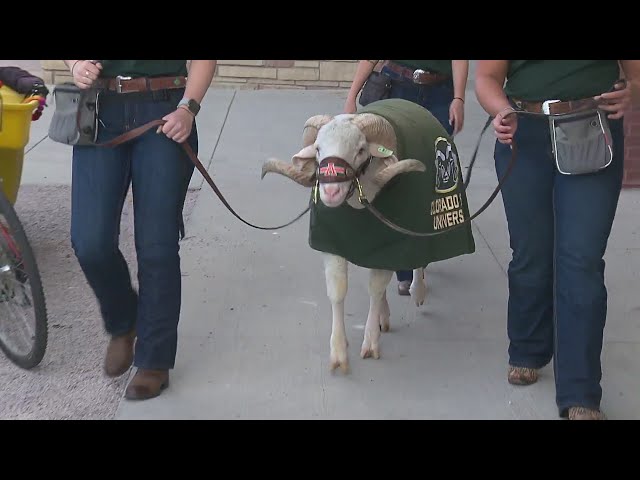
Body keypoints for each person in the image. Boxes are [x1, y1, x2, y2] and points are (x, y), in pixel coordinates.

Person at [475, 60, 639, 420]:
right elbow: (487, 78)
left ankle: (580, 391)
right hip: (524, 134)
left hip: (590, 131)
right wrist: (500, 109)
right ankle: (528, 347)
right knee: (531, 253)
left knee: (580, 261)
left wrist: (633, 91)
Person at [63, 59, 217, 400]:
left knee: (157, 246)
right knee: (90, 241)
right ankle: (124, 321)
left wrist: (187, 109)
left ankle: (154, 359)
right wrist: (75, 64)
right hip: (100, 111)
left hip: (164, 109)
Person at [344, 60, 469, 296]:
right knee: (398, 174)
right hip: (398, 86)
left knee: (430, 176)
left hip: (440, 93)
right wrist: (351, 96)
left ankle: (421, 252)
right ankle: (404, 266)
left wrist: (459, 98)